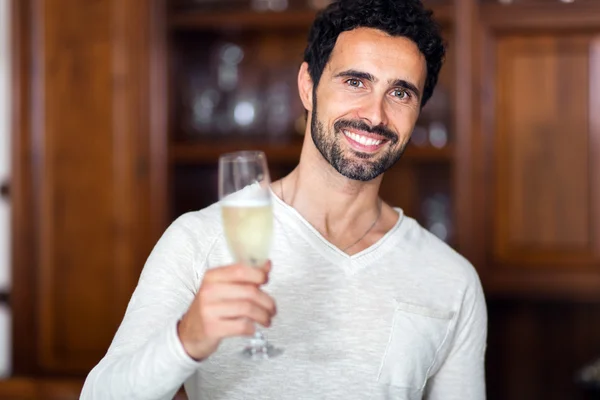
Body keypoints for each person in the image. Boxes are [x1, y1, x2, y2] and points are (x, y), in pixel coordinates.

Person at [81, 0, 487, 398]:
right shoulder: (199, 240)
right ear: (308, 86)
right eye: (355, 82)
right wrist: (185, 341)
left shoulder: (453, 280)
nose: (375, 115)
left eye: (400, 93)